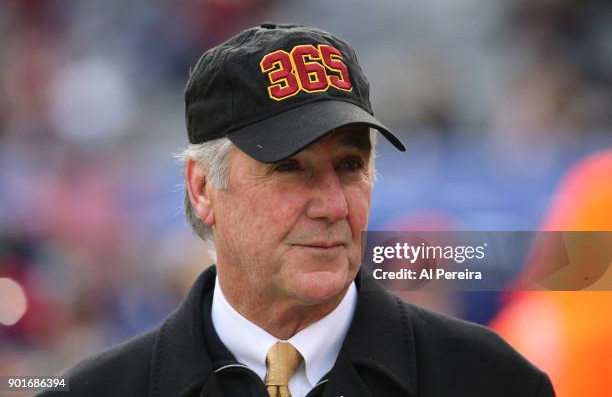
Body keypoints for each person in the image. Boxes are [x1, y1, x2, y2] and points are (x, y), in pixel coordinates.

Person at [38, 23, 555, 397]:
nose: (332, 204)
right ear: (202, 188)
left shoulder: (492, 381)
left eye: (350, 165)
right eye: (289, 168)